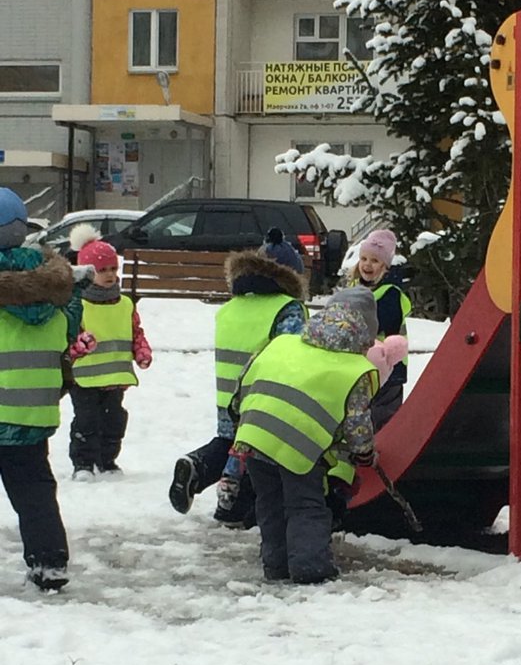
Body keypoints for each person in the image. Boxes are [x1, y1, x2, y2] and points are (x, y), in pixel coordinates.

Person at [231, 286, 379, 585]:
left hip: (255, 433)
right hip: (300, 448)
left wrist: (240, 418)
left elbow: (244, 381)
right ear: (366, 333)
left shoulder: (283, 343)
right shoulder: (356, 368)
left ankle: (276, 564)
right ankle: (310, 569)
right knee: (306, 506)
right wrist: (363, 452)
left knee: (269, 502)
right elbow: (357, 423)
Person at [168, 229, 308, 520]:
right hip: (264, 397)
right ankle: (236, 510)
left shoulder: (231, 308)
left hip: (227, 394)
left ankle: (198, 465)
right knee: (255, 454)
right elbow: (292, 353)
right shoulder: (287, 308)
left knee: (228, 443)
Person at [0, 188, 94, 591]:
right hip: (33, 414)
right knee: (35, 489)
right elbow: (69, 333)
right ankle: (50, 561)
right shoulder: (61, 295)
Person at [67, 233, 152, 478]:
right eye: (102, 269)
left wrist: (141, 351)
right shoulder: (78, 303)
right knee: (87, 421)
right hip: (84, 379)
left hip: (115, 377)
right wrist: (79, 345)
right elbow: (66, 340)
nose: (110, 274)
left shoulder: (125, 304)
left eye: (113, 268)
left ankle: (107, 460)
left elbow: (135, 331)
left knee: (114, 420)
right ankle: (83, 463)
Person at [344, 228, 411, 428]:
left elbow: (382, 326)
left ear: (385, 266)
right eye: (364, 258)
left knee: (382, 417)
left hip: (389, 367)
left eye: (374, 261)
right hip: (360, 366)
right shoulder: (355, 288)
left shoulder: (390, 294)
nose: (367, 264)